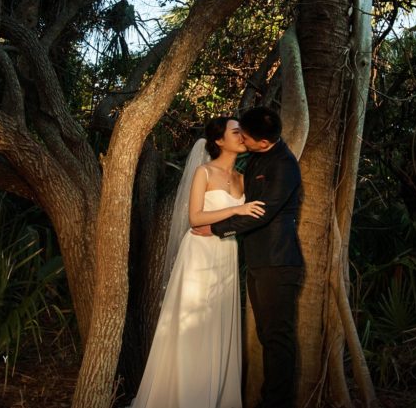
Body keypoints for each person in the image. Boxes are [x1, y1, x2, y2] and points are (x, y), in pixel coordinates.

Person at [129, 117, 265, 408]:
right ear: (219, 141)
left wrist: (236, 215)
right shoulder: (204, 172)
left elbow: (246, 220)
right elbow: (195, 218)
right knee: (191, 325)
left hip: (226, 253)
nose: (242, 136)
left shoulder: (243, 179)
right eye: (236, 132)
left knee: (217, 324)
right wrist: (238, 209)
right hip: (198, 256)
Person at [193, 106, 305, 408]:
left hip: (278, 264)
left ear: (264, 143)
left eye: (246, 136)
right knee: (268, 335)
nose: (241, 138)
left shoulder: (284, 166)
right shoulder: (256, 155)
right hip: (258, 263)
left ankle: (275, 403)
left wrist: (216, 228)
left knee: (277, 340)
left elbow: (260, 214)